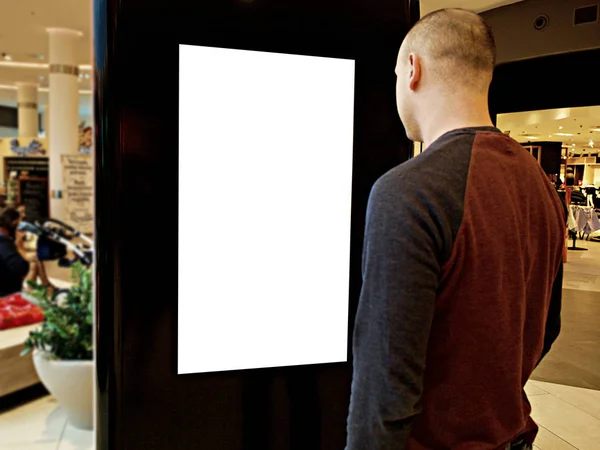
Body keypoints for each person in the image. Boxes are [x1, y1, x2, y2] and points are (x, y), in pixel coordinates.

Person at [346, 9, 565, 450]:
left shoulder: (409, 190)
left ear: (413, 69)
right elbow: (550, 324)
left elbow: (386, 384)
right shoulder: (542, 185)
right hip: (513, 436)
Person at [0, 208, 35, 297]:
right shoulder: (3, 242)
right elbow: (21, 268)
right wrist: (20, 248)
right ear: (13, 223)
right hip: (7, 296)